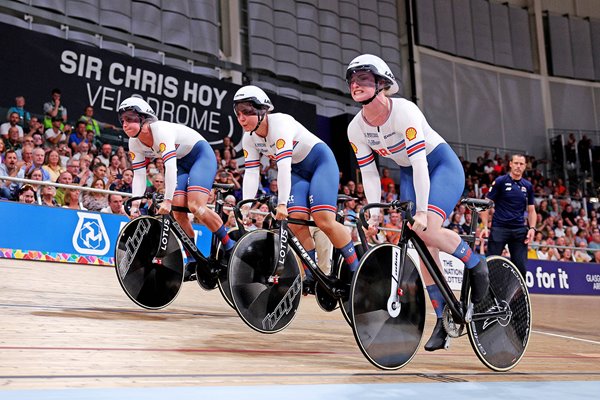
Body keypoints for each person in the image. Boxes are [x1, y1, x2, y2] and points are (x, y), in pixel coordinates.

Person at [345, 54, 488, 351]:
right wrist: (372, 216)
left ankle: (476, 263)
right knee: (422, 248)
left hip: (439, 166)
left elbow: (421, 164)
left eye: (363, 78)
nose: (355, 84)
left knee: (428, 228)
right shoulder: (355, 128)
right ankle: (443, 318)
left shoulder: (405, 112)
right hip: (409, 173)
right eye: (352, 79)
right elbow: (369, 174)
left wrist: (422, 211)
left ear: (382, 83)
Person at [233, 85, 360, 294]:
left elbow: (282, 167)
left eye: (247, 112)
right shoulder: (249, 137)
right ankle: (310, 274)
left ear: (262, 110)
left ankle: (355, 268)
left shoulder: (280, 124)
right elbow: (252, 173)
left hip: (320, 163)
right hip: (297, 170)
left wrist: (282, 203)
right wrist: (246, 206)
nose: (242, 118)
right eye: (238, 113)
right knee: (296, 220)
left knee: (323, 219)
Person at [117, 96, 236, 281]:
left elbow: (169, 168)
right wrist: (134, 205)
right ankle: (192, 260)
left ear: (143, 119)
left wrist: (167, 200)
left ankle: (230, 246)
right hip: (182, 162)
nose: (125, 124)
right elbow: (139, 175)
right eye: (122, 120)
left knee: (195, 206)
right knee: (179, 213)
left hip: (200, 156)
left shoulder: (161, 130)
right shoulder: (134, 142)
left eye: (130, 118)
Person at [480, 154, 537, 278]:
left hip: (519, 231)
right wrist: (485, 226)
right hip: (499, 228)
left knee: (521, 268)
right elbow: (486, 204)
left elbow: (531, 210)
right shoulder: (500, 181)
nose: (518, 166)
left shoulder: (528, 186)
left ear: (525, 166)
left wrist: (532, 228)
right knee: (491, 264)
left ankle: (515, 297)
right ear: (510, 164)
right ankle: (486, 296)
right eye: (516, 163)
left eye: (521, 164)